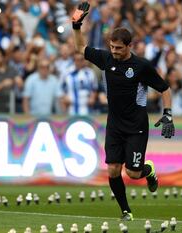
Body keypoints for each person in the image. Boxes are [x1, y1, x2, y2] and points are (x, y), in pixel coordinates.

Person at [72, 2, 175, 221]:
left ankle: (148, 170)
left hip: (136, 126)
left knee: (133, 173)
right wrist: (76, 27)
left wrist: (168, 113)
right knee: (112, 170)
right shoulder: (106, 59)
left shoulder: (141, 67)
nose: (114, 51)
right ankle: (125, 211)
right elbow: (80, 48)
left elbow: (165, 88)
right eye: (112, 47)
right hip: (115, 125)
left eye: (119, 48)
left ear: (129, 46)